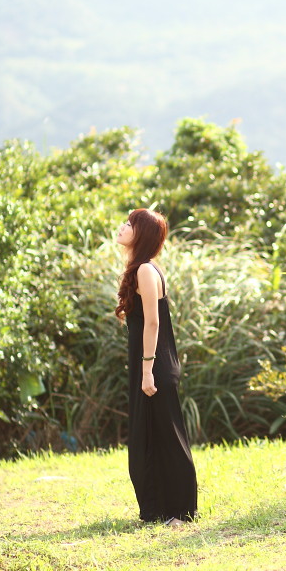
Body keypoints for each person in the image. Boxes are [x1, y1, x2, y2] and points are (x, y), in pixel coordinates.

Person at [114, 208, 197, 525]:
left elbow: (153, 323)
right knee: (147, 439)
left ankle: (180, 512)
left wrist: (147, 370)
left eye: (129, 224)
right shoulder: (140, 269)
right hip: (148, 365)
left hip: (154, 366)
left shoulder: (146, 271)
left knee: (168, 438)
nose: (122, 227)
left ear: (142, 234)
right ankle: (157, 511)